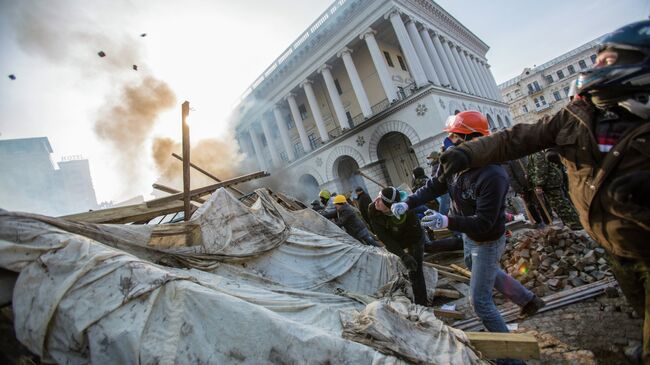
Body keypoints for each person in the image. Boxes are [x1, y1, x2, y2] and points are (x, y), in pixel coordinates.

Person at [436, 21, 650, 364]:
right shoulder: (576, 116)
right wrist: (466, 155)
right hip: (614, 245)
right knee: (638, 301)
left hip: (645, 242)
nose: (596, 70)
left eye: (608, 62)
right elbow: (516, 139)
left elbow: (486, 216)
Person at [390, 111, 544, 364]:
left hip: (487, 240)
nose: (448, 142)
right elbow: (433, 187)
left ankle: (512, 359)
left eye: (453, 136)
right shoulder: (454, 162)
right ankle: (527, 300)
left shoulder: (493, 175)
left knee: (480, 303)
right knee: (475, 268)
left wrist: (446, 221)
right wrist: (407, 203)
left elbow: (484, 222)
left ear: (472, 138)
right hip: (468, 235)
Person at [367, 187, 428, 306]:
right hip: (394, 238)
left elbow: (415, 236)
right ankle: (405, 298)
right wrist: (402, 255)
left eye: (381, 201)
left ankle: (422, 305)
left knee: (415, 270)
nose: (377, 202)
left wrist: (409, 255)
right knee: (399, 267)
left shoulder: (407, 212)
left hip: (413, 238)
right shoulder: (373, 209)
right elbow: (385, 238)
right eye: (378, 198)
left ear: (390, 206)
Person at [527, 151, 582, 230]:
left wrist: (539, 184)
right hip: (550, 182)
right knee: (559, 205)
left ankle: (575, 225)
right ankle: (571, 223)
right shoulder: (532, 154)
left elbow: (541, 168)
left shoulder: (536, 153)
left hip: (551, 182)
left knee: (561, 205)